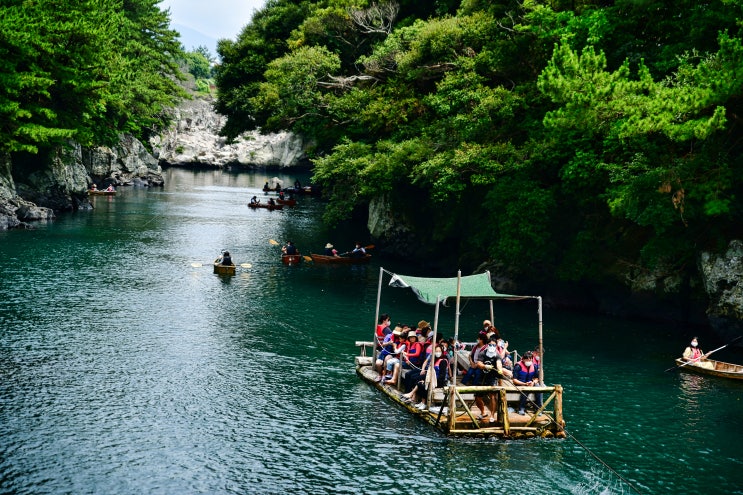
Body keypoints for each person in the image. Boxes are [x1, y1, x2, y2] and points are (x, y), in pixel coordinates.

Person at [474, 337, 503, 423]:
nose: (492, 346)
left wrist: (500, 369)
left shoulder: (497, 355)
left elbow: (499, 363)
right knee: (477, 397)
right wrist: (484, 366)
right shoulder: (482, 353)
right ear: (487, 345)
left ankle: (492, 415)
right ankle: (483, 412)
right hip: (482, 377)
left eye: (494, 345)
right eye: (490, 344)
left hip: (492, 377)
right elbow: (479, 363)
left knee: (492, 396)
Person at [513, 351, 542, 415]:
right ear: (523, 359)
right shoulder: (518, 366)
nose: (528, 361)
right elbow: (514, 380)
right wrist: (524, 384)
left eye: (530, 359)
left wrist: (533, 382)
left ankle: (538, 408)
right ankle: (521, 408)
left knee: (538, 388)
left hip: (530, 383)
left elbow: (536, 378)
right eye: (527, 359)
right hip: (520, 383)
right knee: (526, 389)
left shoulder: (534, 366)